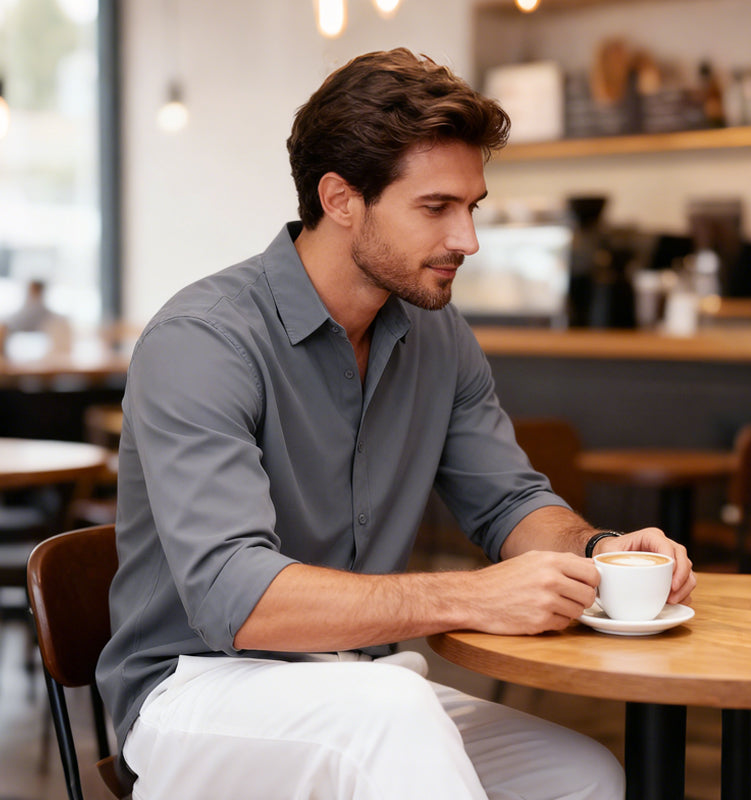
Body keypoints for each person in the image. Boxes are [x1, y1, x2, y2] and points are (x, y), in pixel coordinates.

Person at [96, 48, 695, 800]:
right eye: (436, 207)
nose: (467, 240)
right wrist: (472, 597)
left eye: (472, 207)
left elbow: (509, 502)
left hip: (363, 682)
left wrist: (601, 552)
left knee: (582, 776)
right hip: (197, 690)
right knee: (392, 715)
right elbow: (233, 595)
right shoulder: (204, 340)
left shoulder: (437, 335)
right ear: (341, 199)